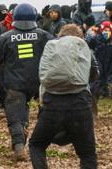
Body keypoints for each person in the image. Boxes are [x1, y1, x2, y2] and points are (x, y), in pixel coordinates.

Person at [30, 24, 98, 169]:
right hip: (80, 104)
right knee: (87, 154)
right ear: (80, 37)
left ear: (59, 36)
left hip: (52, 106)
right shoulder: (85, 49)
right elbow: (94, 74)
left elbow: (42, 74)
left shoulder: (52, 48)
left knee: (37, 145)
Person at [0, 3, 53, 161]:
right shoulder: (44, 35)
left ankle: (19, 146)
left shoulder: (6, 37)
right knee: (26, 111)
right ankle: (24, 129)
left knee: (14, 116)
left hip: (15, 84)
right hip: (38, 83)